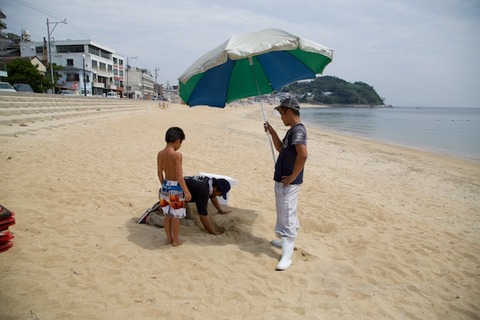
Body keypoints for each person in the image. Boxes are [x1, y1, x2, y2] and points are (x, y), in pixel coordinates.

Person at [264, 97, 308, 271]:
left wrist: (291, 177)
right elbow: (281, 148)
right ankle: (284, 241)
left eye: (282, 114)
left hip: (288, 183)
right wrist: (272, 131)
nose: (281, 117)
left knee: (287, 213)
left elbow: (303, 155)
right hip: (284, 180)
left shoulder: (298, 131)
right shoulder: (292, 130)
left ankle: (287, 256)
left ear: (289, 112)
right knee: (284, 211)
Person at [142, 176, 231, 235]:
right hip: (170, 195)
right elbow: (203, 216)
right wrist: (213, 232)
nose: (219, 196)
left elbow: (212, 196)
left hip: (174, 193)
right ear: (216, 188)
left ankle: (164, 207)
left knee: (190, 218)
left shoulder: (209, 181)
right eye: (220, 193)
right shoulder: (203, 191)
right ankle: (150, 217)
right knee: (179, 223)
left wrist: (220, 210)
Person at [157, 127, 192, 247]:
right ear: (178, 141)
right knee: (176, 217)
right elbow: (179, 176)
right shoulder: (177, 155)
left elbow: (159, 172)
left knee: (167, 215)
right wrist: (186, 191)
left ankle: (168, 238)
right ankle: (176, 240)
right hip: (176, 188)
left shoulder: (160, 154)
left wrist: (163, 185)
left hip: (165, 186)